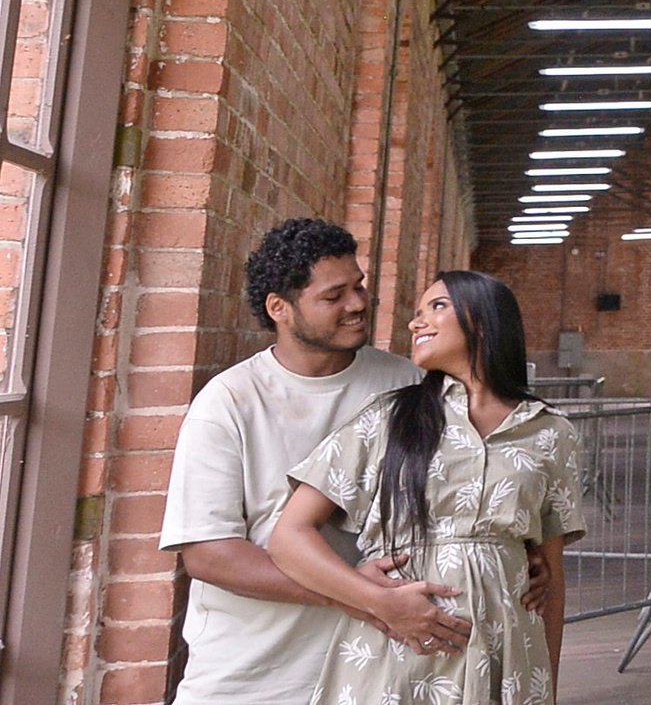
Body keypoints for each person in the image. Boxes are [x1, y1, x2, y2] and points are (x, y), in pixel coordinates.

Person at [160, 222, 473, 705]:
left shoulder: (410, 386)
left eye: (359, 285)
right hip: (251, 677)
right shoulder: (228, 403)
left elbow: (466, 491)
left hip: (380, 670)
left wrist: (519, 557)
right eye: (335, 296)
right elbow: (208, 554)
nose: (358, 303)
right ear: (279, 309)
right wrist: (363, 597)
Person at [268, 271, 583, 705]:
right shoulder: (388, 419)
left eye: (437, 307)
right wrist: (376, 602)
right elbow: (289, 537)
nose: (416, 323)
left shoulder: (550, 432)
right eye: (416, 313)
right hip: (399, 654)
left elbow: (553, 576)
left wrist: (546, 686)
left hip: (506, 657)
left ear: (486, 320)